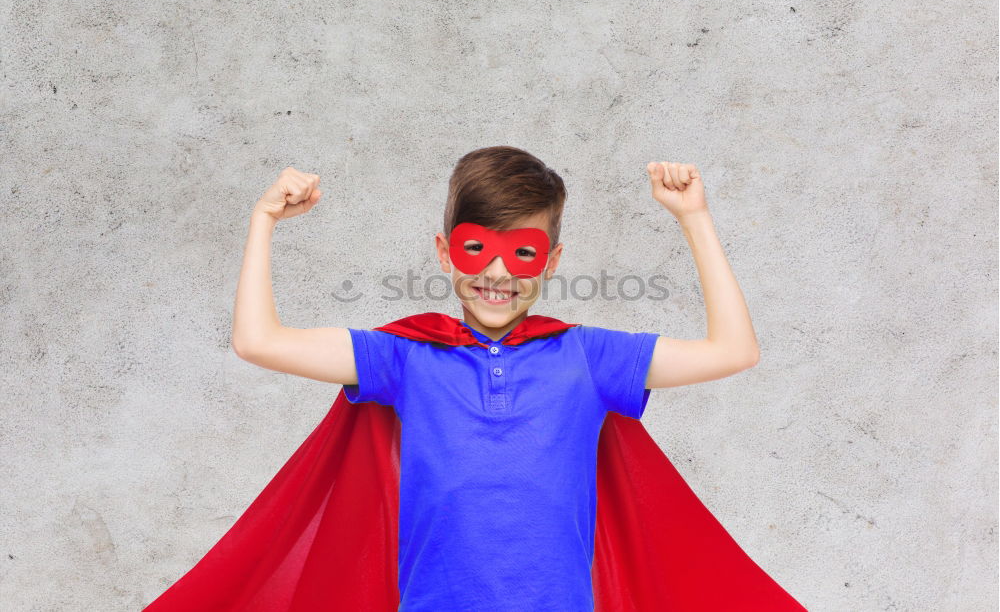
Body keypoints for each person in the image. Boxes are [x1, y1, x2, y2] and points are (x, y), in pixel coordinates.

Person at [144, 146, 806, 611]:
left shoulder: (586, 357)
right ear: (443, 252)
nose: (498, 274)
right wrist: (263, 221)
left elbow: (734, 349)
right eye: (476, 249)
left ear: (552, 262)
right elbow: (257, 340)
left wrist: (694, 217)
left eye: (522, 253)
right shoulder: (405, 358)